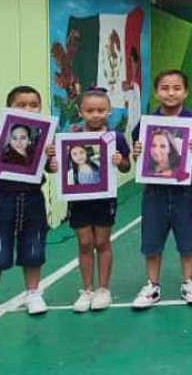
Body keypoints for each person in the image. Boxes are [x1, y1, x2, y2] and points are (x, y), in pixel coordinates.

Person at [0, 86, 56, 322]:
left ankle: (33, 293)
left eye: (34, 104)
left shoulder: (44, 136)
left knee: (34, 247)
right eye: (21, 104)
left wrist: (52, 158)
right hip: (1, 199)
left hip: (33, 199)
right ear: (9, 107)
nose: (28, 109)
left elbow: (49, 168)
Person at [130, 70, 192, 309]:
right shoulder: (147, 123)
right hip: (154, 193)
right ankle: (152, 286)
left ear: (185, 92)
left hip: (185, 193)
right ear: (156, 92)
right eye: (164, 88)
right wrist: (138, 154)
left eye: (177, 88)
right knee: (151, 240)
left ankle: (189, 282)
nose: (170, 93)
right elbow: (141, 157)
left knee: (187, 239)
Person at [59, 89, 131, 313]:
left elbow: (127, 165)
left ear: (108, 112)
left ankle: (103, 289)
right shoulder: (70, 136)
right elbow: (62, 167)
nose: (95, 114)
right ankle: (87, 289)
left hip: (104, 199)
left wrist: (121, 161)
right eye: (90, 110)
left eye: (101, 110)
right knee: (84, 243)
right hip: (79, 199)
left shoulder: (115, 138)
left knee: (102, 243)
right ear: (80, 112)